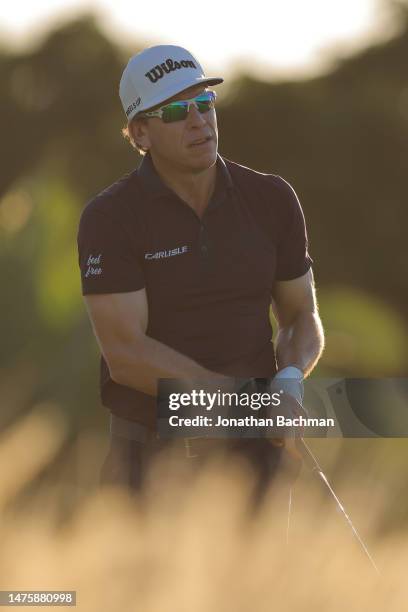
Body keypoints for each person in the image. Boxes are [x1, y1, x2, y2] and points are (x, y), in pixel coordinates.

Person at [77, 44, 324, 502]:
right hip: (149, 449)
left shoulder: (271, 199)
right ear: (140, 133)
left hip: (255, 449)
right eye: (174, 111)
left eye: (204, 103)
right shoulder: (111, 218)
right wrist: (240, 405)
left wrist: (290, 375)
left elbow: (299, 318)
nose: (198, 120)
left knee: (264, 577)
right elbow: (126, 354)